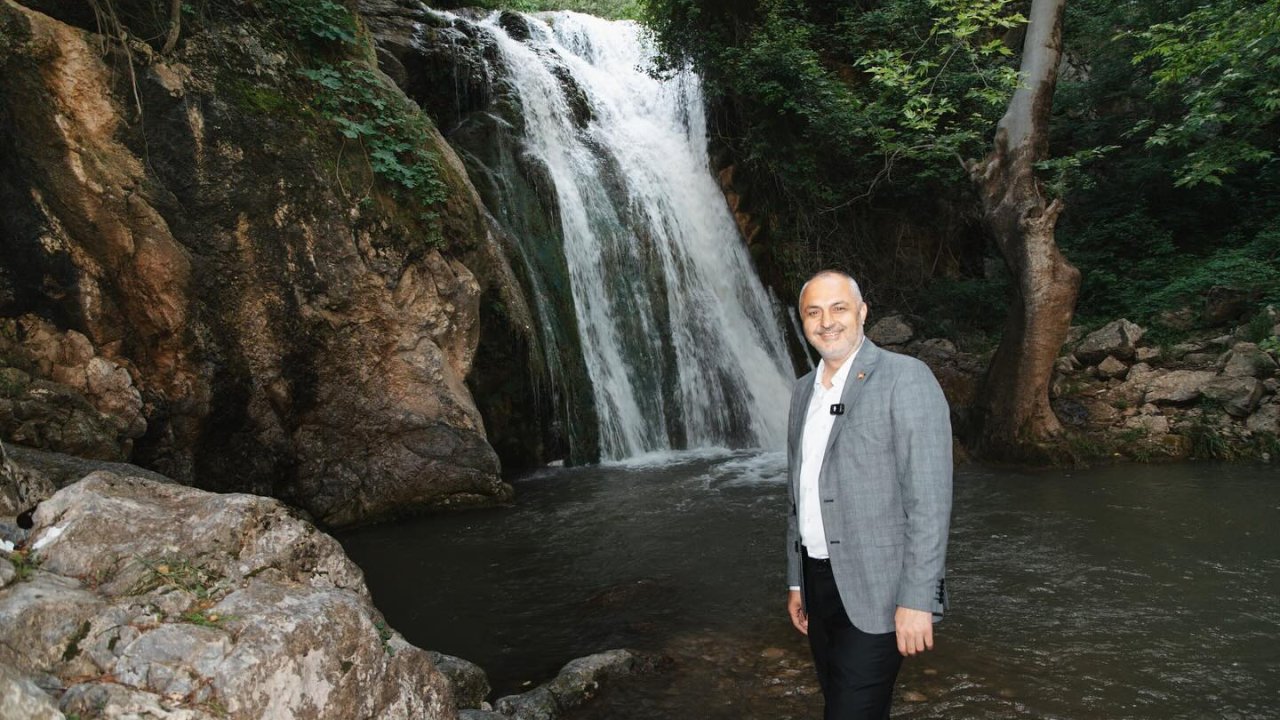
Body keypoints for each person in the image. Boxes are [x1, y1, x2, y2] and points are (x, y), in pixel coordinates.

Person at [785, 270, 952, 719]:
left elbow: (930, 500)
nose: (827, 321)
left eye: (838, 308)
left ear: (861, 313)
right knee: (841, 701)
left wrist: (919, 598)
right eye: (813, 312)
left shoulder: (906, 378)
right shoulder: (803, 391)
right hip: (818, 587)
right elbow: (798, 495)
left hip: (879, 590)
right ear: (802, 321)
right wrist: (797, 580)